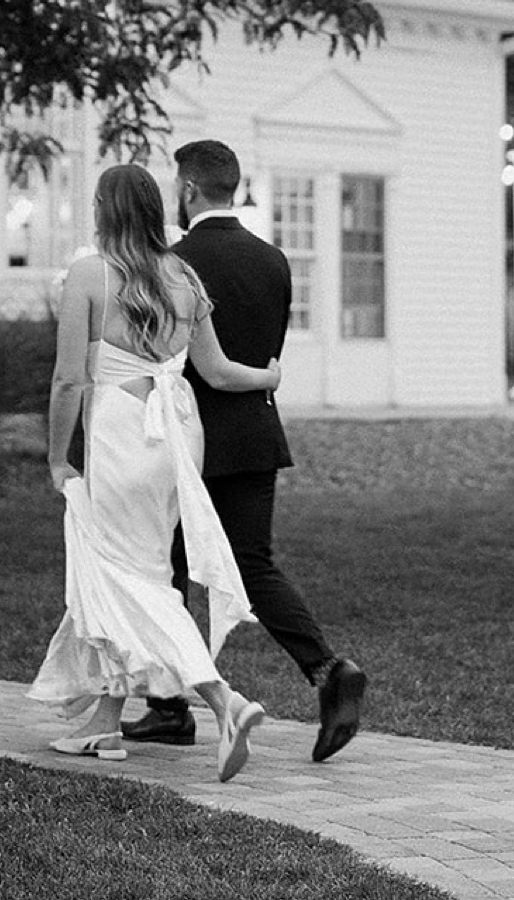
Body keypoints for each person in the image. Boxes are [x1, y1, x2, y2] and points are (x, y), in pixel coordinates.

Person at [28, 162, 279, 781]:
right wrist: (268, 378)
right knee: (129, 569)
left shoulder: (91, 274)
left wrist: (58, 457)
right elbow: (217, 371)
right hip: (175, 436)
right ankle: (105, 725)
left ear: (105, 211)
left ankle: (226, 700)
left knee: (131, 578)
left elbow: (68, 380)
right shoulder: (184, 276)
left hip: (120, 433)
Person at [122, 138, 367, 764]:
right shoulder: (274, 260)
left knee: (166, 570)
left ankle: (171, 707)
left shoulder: (171, 263)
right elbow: (268, 351)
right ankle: (328, 669)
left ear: (189, 189)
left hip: (188, 440)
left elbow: (167, 356)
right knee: (254, 566)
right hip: (256, 430)